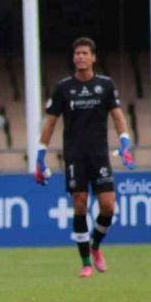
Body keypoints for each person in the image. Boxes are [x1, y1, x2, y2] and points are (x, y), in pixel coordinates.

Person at [35, 36, 135, 278]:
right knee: (79, 203)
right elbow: (50, 123)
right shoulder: (63, 88)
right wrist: (40, 154)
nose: (80, 57)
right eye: (77, 53)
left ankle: (96, 245)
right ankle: (85, 262)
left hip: (100, 156)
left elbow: (118, 116)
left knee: (108, 206)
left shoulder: (106, 85)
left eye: (84, 53)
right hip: (75, 156)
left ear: (93, 57)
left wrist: (125, 141)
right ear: (73, 58)